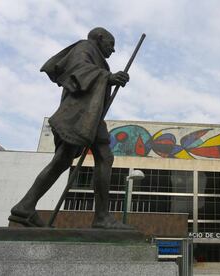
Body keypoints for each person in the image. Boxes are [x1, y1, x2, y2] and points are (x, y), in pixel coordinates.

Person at [9, 27, 130, 229]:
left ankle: (25, 207)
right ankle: (99, 218)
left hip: (91, 117)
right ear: (100, 39)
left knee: (97, 157)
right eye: (111, 44)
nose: (113, 50)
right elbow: (78, 70)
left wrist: (109, 77)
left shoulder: (96, 55)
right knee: (65, 160)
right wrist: (108, 77)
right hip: (79, 115)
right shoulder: (85, 47)